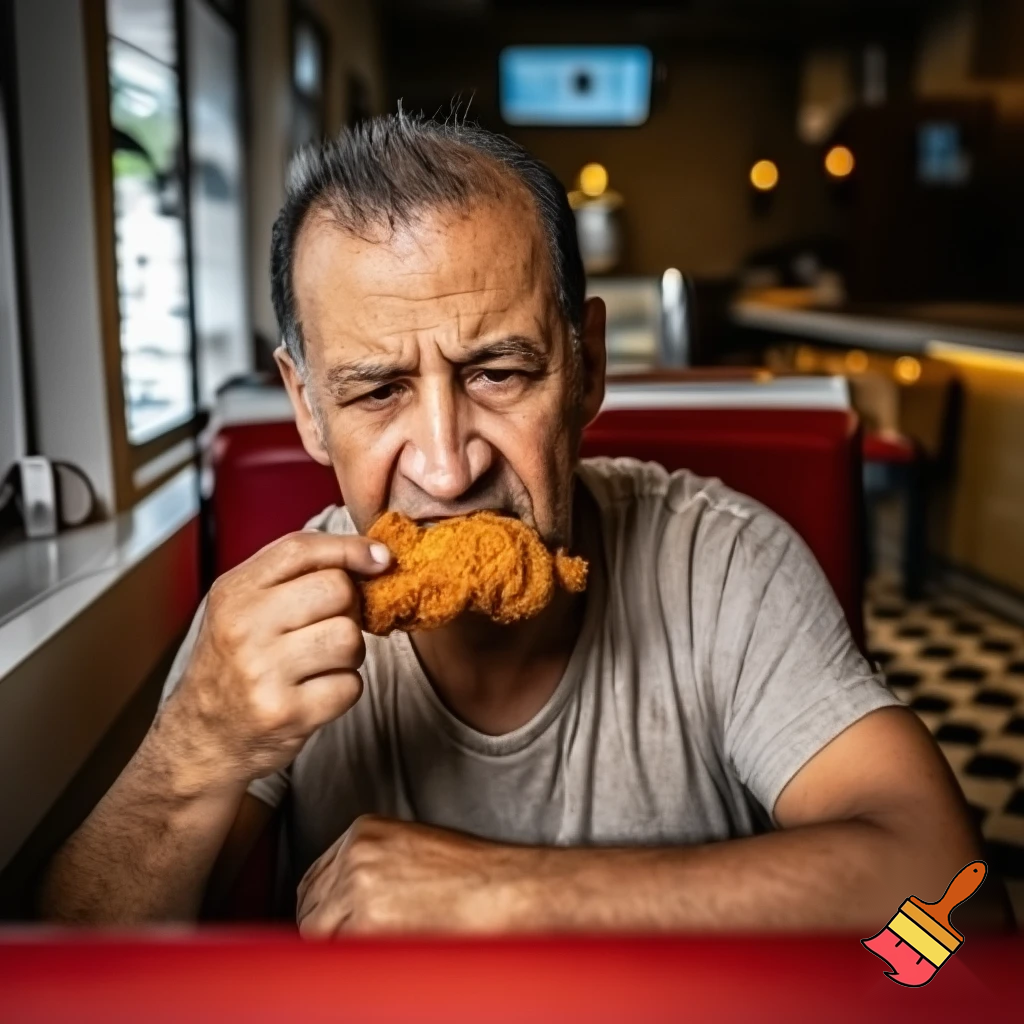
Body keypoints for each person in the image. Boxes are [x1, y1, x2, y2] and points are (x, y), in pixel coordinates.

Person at [41, 113, 999, 934]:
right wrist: (194, 748)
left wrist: (510, 892)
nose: (449, 466)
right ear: (305, 408)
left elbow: (954, 921)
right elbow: (68, 988)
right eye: (376, 391)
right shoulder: (266, 631)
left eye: (499, 374)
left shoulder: (724, 566)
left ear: (584, 371)